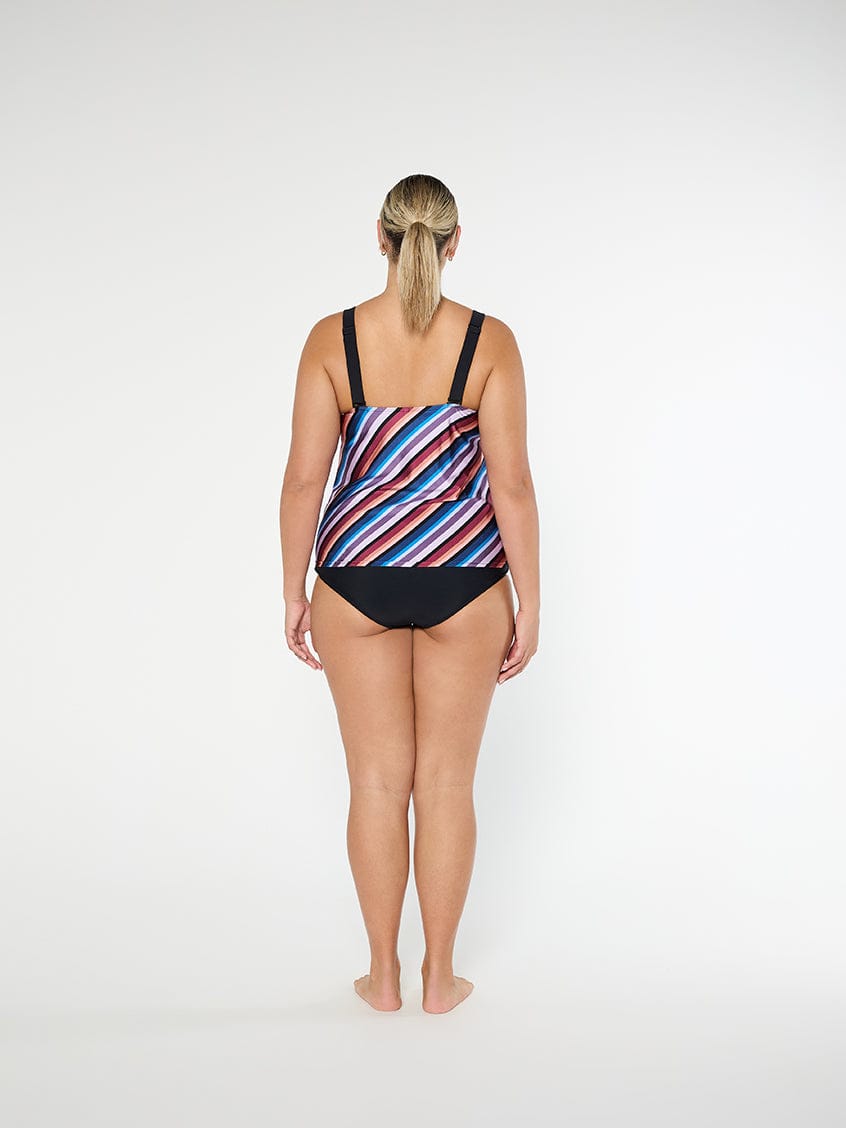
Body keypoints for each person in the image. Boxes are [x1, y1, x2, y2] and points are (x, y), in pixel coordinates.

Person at [279, 173, 540, 1014]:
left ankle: (382, 978)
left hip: (354, 581)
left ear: (382, 237)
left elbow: (302, 481)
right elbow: (514, 487)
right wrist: (529, 601)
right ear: (453, 242)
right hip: (467, 583)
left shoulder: (333, 338)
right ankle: (440, 980)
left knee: (378, 785)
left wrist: (293, 591)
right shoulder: (489, 341)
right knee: (449, 786)